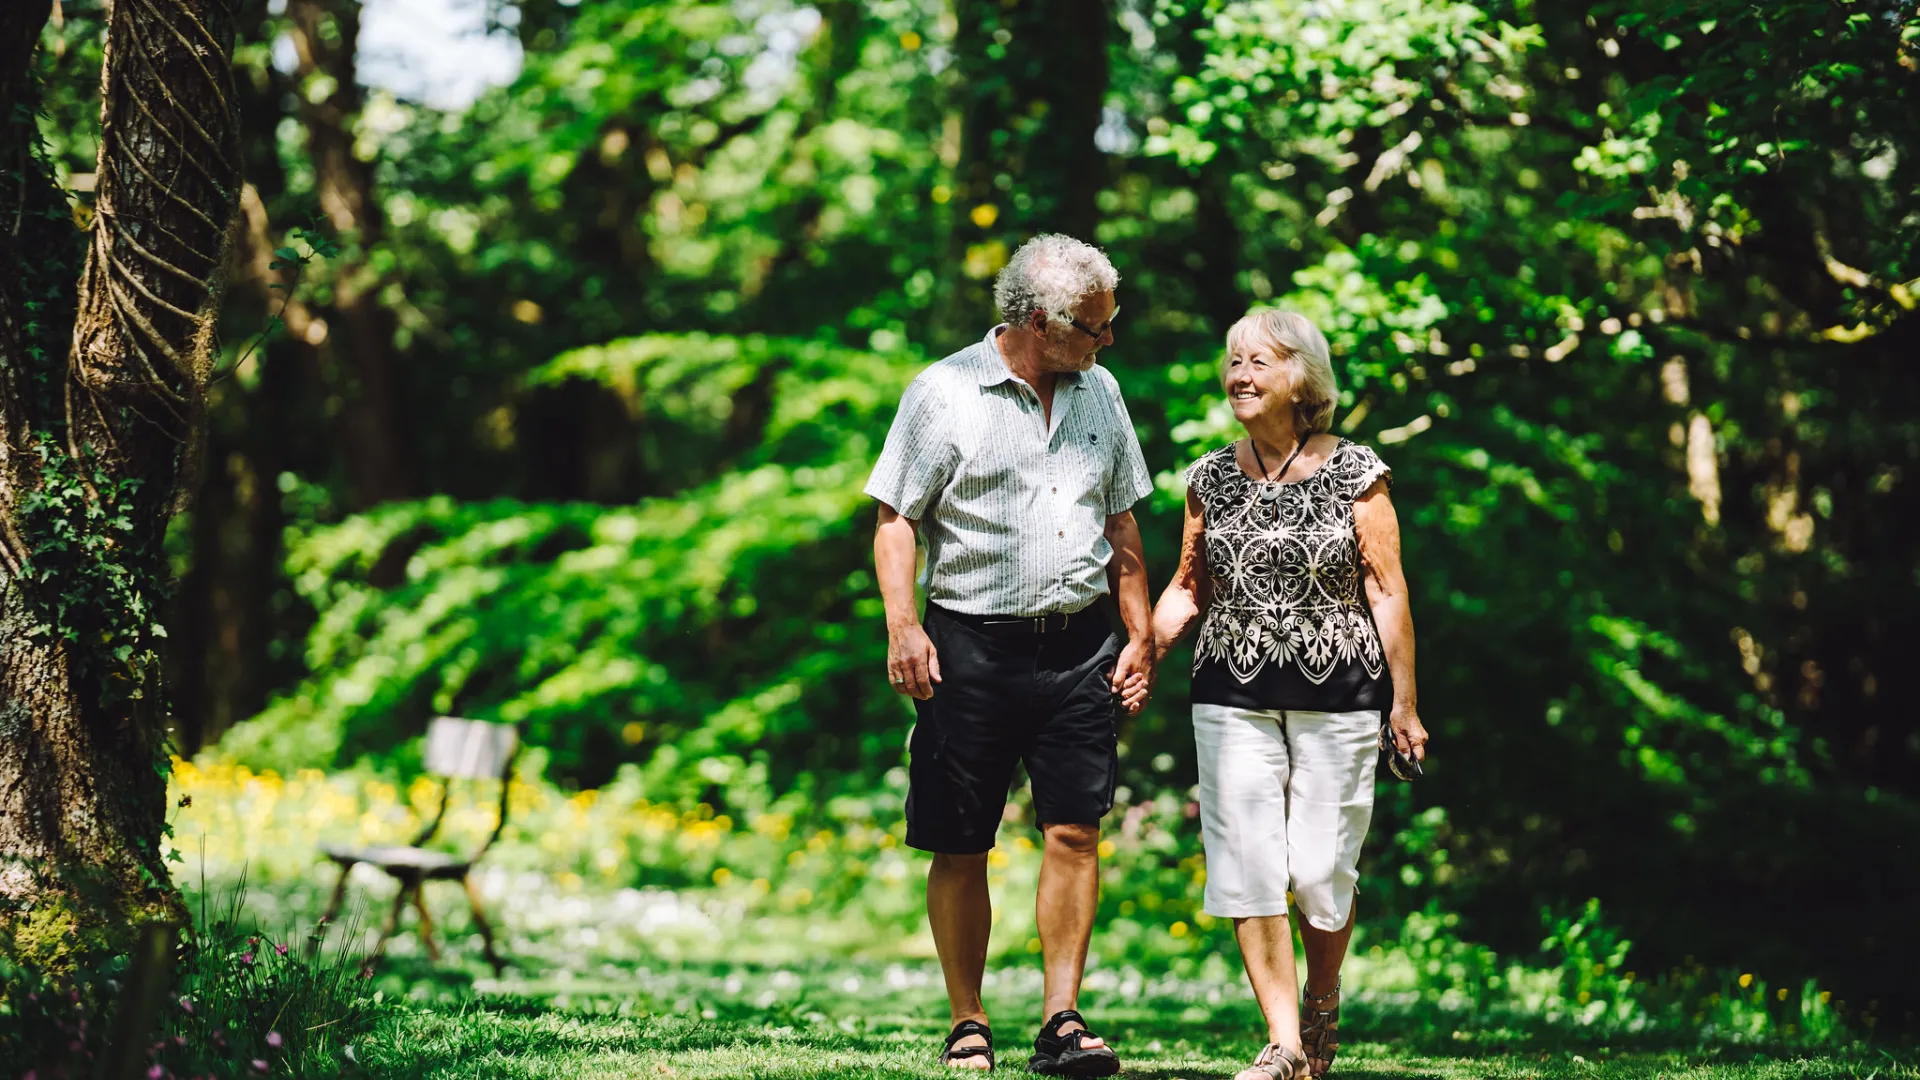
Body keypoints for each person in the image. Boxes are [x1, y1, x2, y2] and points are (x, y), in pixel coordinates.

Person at [865, 234, 1156, 1076]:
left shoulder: (1101, 393)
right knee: (961, 839)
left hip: (1079, 645)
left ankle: (1062, 1018)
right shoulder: (944, 391)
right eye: (1095, 329)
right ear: (1040, 320)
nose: (1107, 344)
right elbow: (895, 518)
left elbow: (1123, 522)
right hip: (970, 647)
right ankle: (968, 1021)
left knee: (1074, 829)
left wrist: (1137, 637)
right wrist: (902, 627)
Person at [1147, 309, 1427, 1080]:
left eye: (1257, 361)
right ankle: (1283, 1042)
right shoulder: (1208, 476)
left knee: (1320, 868)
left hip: (1339, 690)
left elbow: (1387, 588)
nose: (1238, 374)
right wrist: (1140, 655)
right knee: (1247, 859)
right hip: (1228, 690)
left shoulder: (1355, 471)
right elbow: (1186, 587)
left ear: (1301, 374)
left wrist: (1403, 703)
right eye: (1232, 360)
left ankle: (1322, 998)